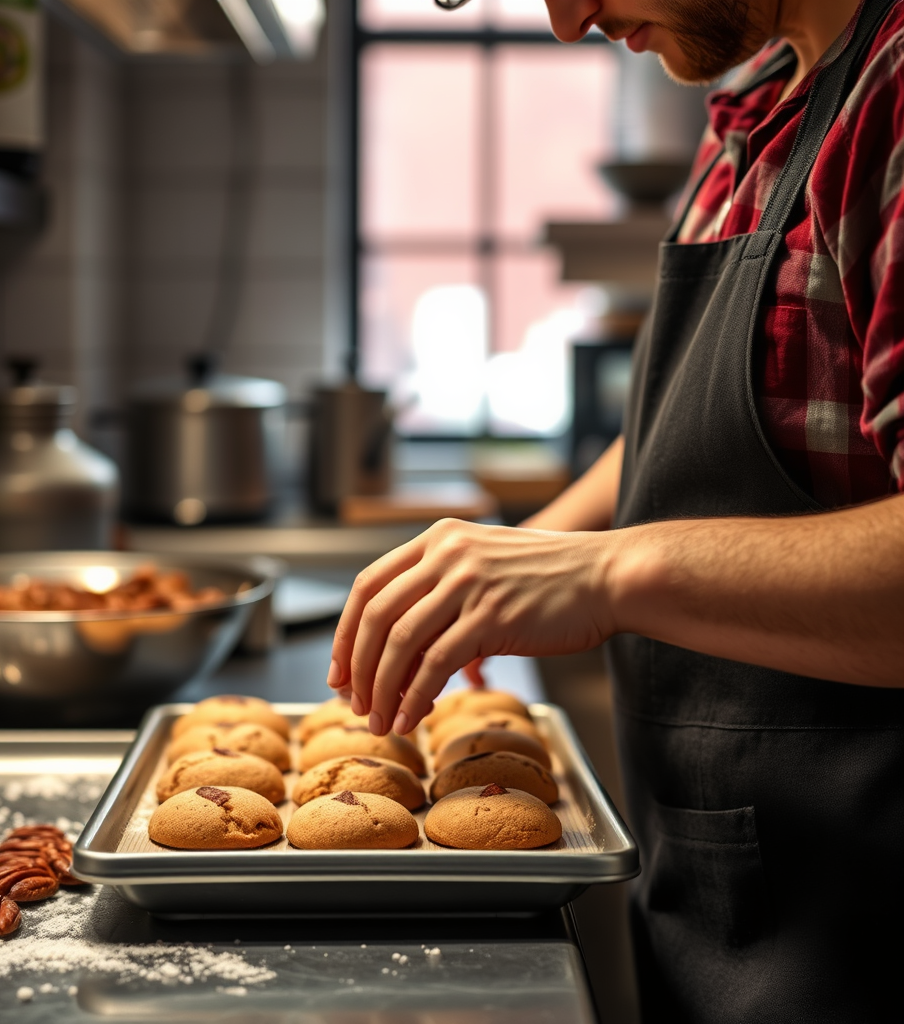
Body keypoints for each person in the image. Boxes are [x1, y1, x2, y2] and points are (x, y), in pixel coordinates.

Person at [327, 0, 904, 1020]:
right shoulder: (755, 103)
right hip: (732, 894)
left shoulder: (892, 101)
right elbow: (680, 426)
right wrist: (524, 551)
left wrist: (605, 574)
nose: (565, 20)